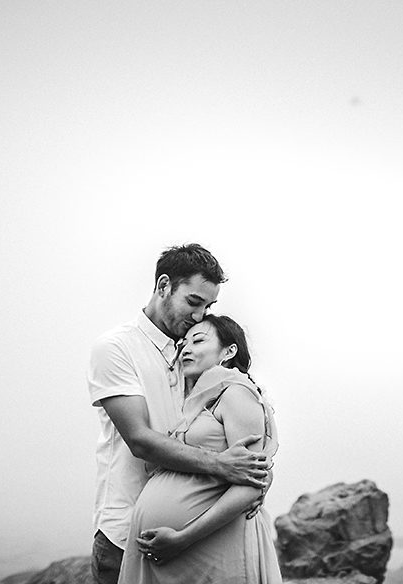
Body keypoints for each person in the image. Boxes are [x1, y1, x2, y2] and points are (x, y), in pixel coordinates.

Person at [88, 244, 272, 584]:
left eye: (209, 306)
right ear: (163, 287)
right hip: (125, 533)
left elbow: (239, 437)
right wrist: (223, 465)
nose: (200, 315)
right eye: (193, 302)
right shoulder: (116, 348)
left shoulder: (200, 355)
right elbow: (141, 441)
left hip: (200, 537)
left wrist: (258, 479)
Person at [118, 314, 281, 584]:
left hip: (211, 545)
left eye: (198, 340)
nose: (186, 349)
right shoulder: (192, 402)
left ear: (229, 351)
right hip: (176, 553)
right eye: (183, 344)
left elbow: (253, 481)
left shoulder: (236, 393)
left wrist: (183, 538)